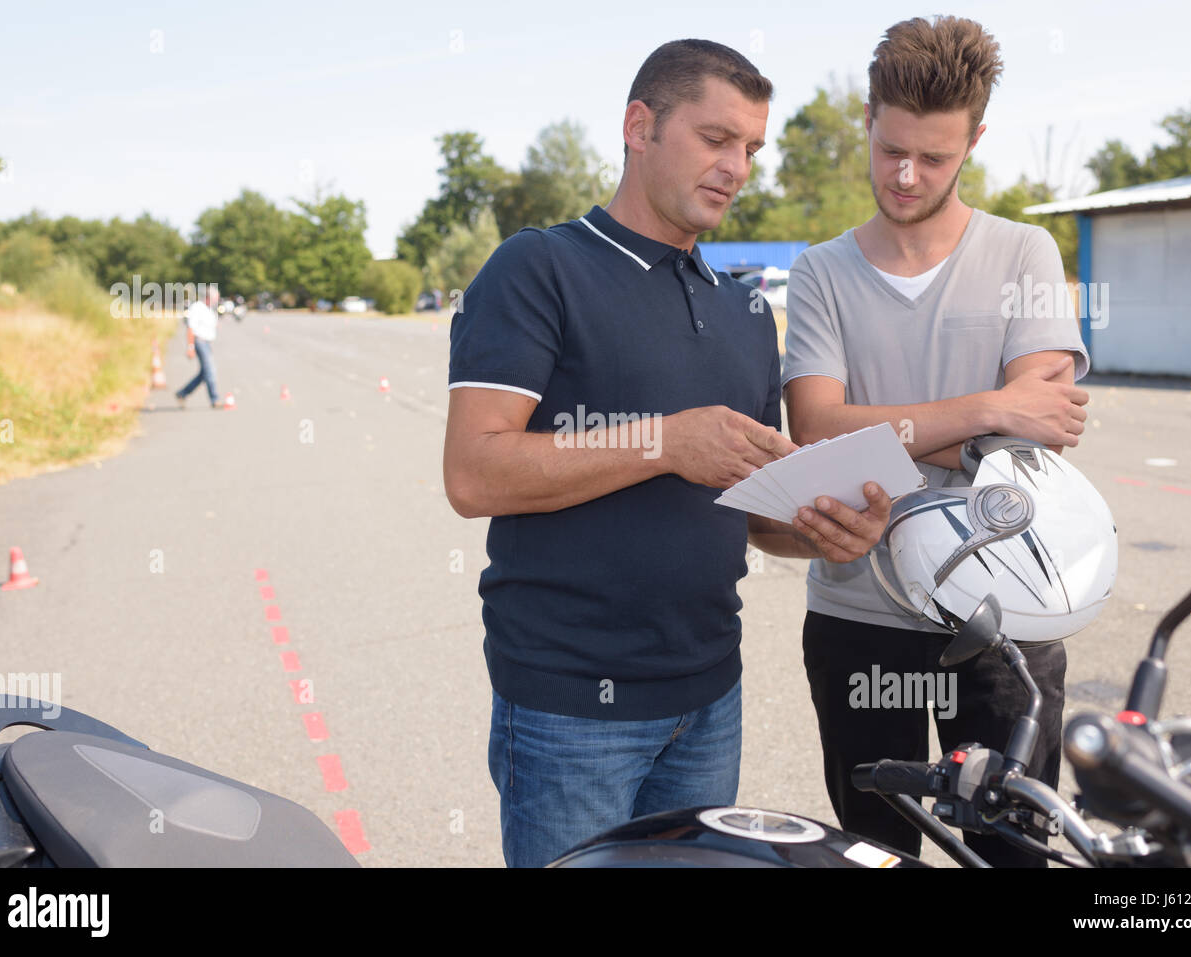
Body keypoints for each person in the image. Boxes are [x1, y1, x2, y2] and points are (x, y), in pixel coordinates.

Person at [443, 39, 894, 868]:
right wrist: (662, 441)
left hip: (709, 696)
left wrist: (825, 529)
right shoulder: (537, 268)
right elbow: (473, 473)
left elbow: (757, 509)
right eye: (716, 138)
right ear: (639, 125)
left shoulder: (747, 310)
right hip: (569, 706)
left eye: (752, 148)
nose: (738, 167)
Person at [782, 16, 1091, 867]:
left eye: (936, 157)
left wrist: (885, 432)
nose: (907, 175)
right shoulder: (819, 272)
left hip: (1006, 613)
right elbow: (815, 432)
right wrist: (988, 408)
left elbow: (1038, 441)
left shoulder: (1026, 251)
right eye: (891, 151)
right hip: (856, 613)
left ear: (975, 141)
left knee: (1011, 852)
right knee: (874, 853)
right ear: (869, 121)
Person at [175, 287, 222, 409]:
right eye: (215, 299)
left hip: (207, 343)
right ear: (208, 298)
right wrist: (190, 347)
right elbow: (190, 329)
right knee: (210, 371)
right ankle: (215, 399)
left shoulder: (209, 310)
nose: (216, 301)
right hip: (199, 342)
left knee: (204, 374)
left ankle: (183, 393)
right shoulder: (197, 308)